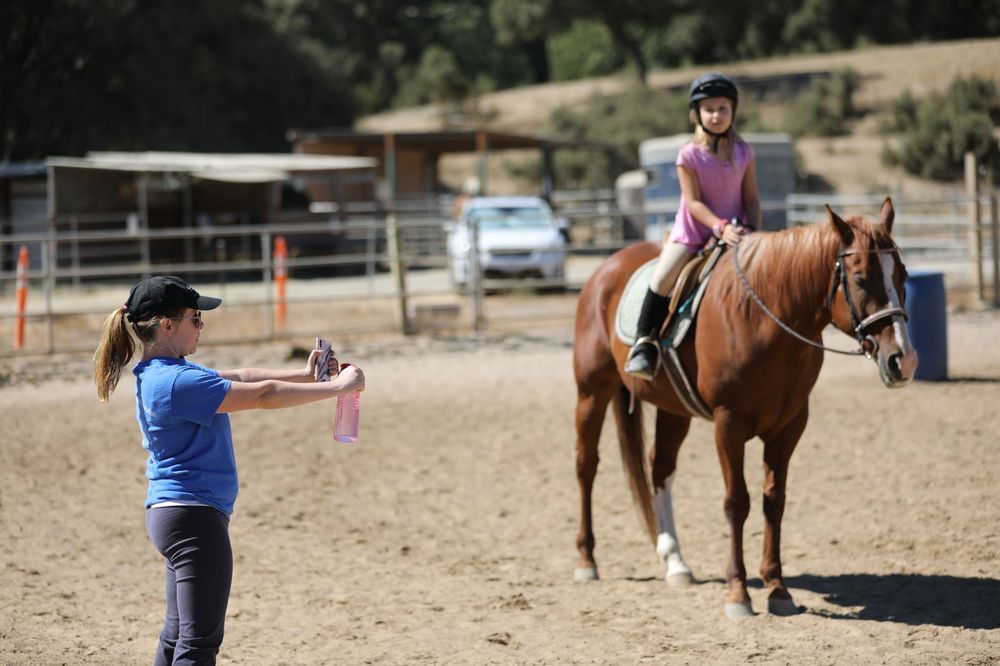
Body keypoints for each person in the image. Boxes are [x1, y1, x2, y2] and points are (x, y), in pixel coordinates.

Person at [93, 275, 365, 666]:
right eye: (195, 318)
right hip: (194, 520)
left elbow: (245, 378)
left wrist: (306, 376)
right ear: (166, 325)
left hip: (174, 514)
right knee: (198, 644)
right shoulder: (178, 382)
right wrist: (339, 389)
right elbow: (263, 395)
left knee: (177, 635)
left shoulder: (165, 373)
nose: (201, 325)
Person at [624, 72, 761, 380]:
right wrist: (721, 227)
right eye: (709, 109)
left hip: (738, 233)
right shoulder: (689, 154)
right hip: (694, 234)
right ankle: (644, 344)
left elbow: (752, 199)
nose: (716, 115)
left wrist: (752, 229)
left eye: (723, 108)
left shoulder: (745, 152)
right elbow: (694, 203)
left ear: (733, 111)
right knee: (662, 278)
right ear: (697, 113)